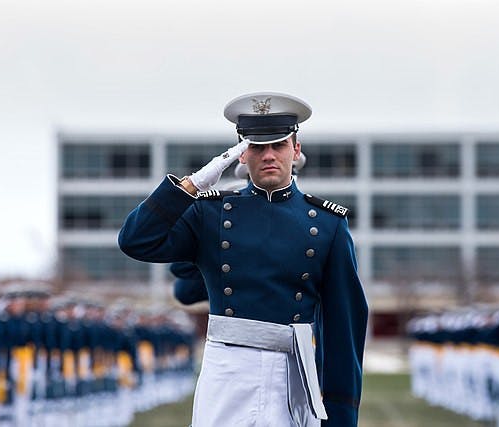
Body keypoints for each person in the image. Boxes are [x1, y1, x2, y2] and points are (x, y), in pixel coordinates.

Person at [119, 91, 368, 426]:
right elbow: (136, 240)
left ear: (296, 149)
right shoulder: (209, 212)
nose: (268, 155)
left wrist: (341, 415)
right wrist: (191, 186)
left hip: (292, 373)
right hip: (227, 371)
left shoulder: (326, 223)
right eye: (257, 146)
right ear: (240, 154)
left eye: (278, 145)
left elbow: (344, 328)